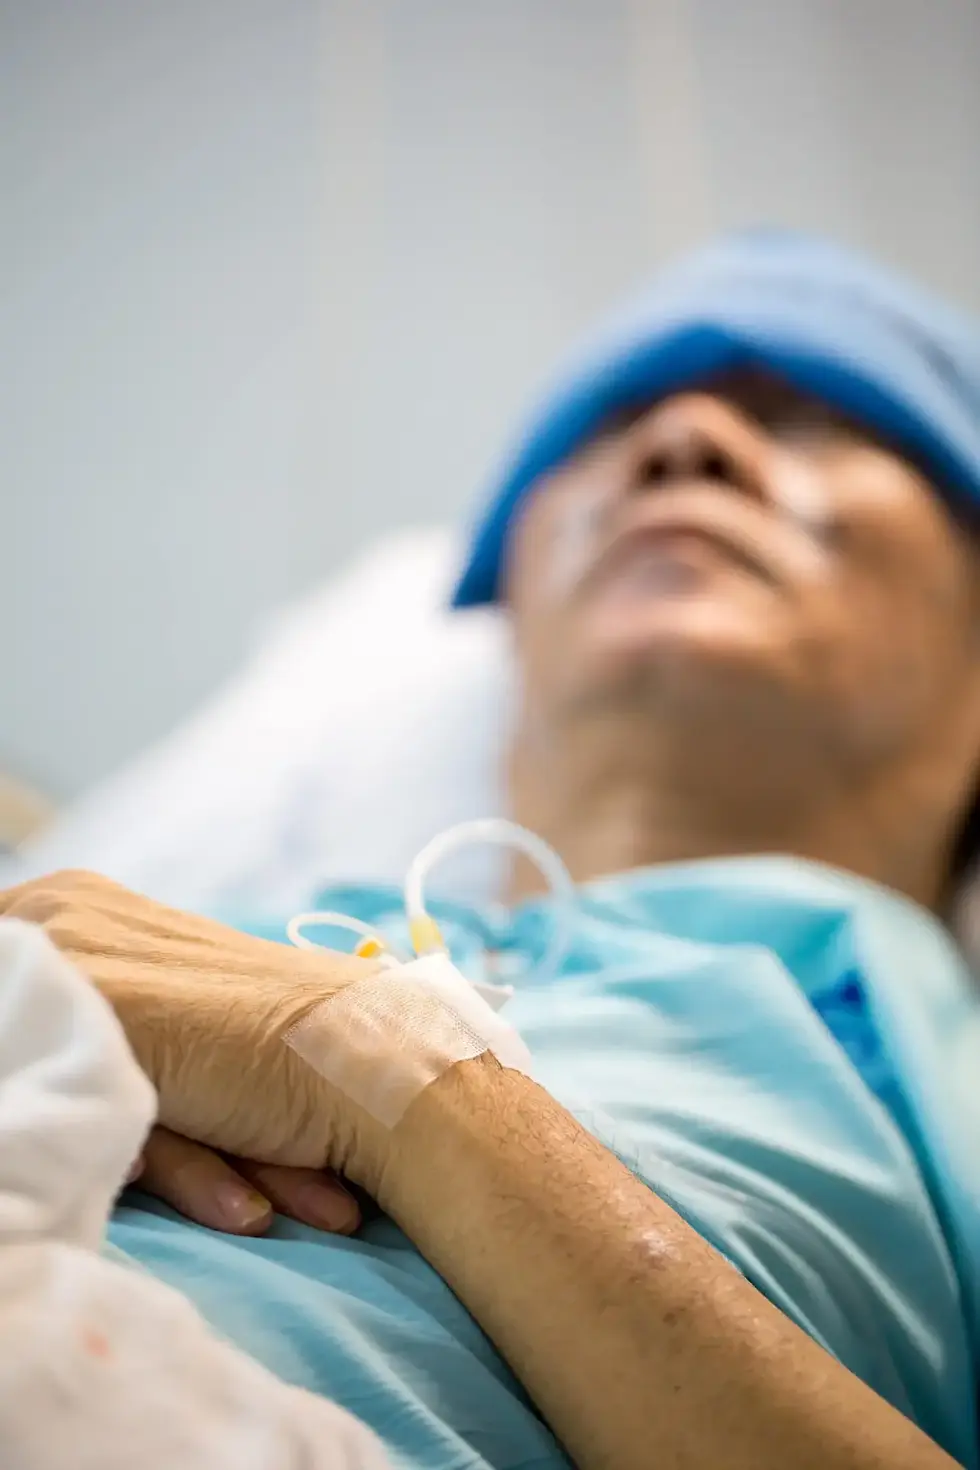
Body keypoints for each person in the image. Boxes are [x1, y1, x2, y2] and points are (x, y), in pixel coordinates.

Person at [2, 229, 979, 1470]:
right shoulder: (184, 936)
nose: (683, 440)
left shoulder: (941, 1086)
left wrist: (402, 1085)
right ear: (514, 622)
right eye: (601, 437)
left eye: (811, 421)